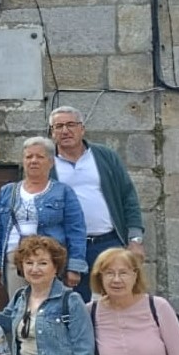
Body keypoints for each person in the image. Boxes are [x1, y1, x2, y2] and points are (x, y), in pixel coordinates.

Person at [49, 105, 146, 300]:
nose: (65, 131)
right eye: (58, 126)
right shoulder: (47, 163)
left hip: (109, 242)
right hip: (70, 248)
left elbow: (128, 196)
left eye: (71, 125)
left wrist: (135, 240)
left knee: (118, 299)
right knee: (76, 304)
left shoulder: (105, 156)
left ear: (82, 129)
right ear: (52, 133)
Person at [0, 137, 87, 298]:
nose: (33, 161)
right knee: (20, 305)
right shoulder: (7, 191)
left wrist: (74, 266)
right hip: (15, 260)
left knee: (50, 305)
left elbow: (76, 230)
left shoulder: (63, 192)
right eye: (29, 157)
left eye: (40, 157)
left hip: (49, 260)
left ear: (51, 162)